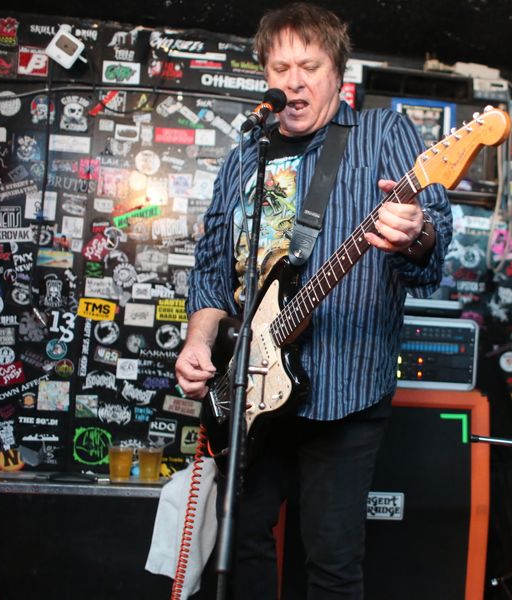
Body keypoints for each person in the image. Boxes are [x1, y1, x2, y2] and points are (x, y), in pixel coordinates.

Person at [174, 3, 452, 599]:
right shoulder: (244, 156)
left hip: (344, 388)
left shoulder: (383, 134)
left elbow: (433, 242)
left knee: (331, 562)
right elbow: (213, 266)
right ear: (266, 76)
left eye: (310, 66)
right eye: (281, 68)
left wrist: (417, 231)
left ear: (338, 74)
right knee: (240, 546)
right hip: (248, 387)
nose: (294, 82)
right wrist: (199, 341)